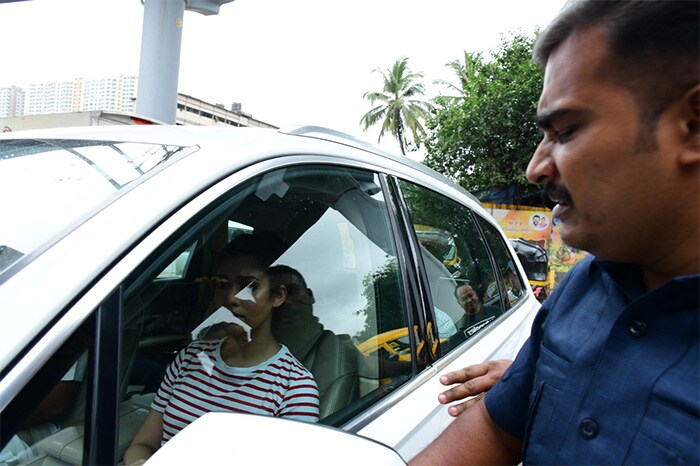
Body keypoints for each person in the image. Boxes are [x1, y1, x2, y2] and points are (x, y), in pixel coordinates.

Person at [411, 0, 699, 464]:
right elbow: (495, 428)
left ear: (692, 126)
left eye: (565, 132)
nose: (535, 169)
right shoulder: (584, 287)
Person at [124, 233, 320, 465]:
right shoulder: (189, 358)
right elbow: (143, 444)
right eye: (223, 285)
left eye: (248, 286)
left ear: (277, 296)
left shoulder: (294, 388)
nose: (230, 298)